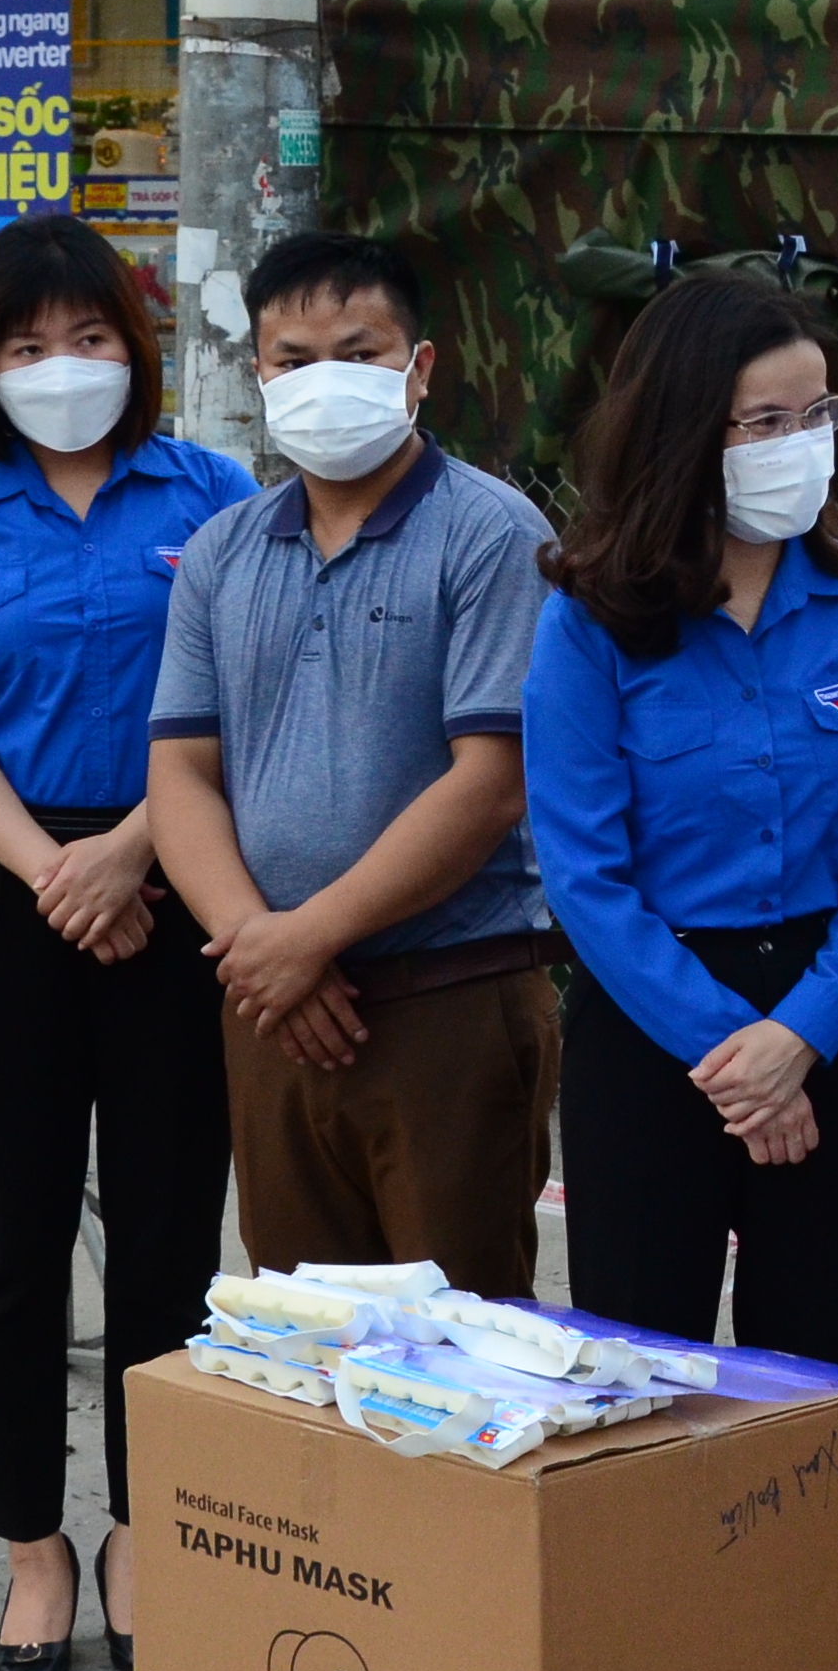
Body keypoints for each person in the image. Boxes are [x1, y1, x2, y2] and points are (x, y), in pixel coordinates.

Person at [0, 214, 254, 1671]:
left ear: (136, 350)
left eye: (90, 339)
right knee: (6, 1244)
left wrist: (138, 851)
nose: (63, 369)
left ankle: (141, 1528)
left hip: (178, 885)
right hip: (4, 896)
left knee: (170, 1240)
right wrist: (53, 868)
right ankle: (31, 1544)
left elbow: (241, 710)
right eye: (28, 347)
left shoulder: (216, 499)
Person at [522, 272, 838, 1373]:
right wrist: (729, 1055)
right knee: (641, 1380)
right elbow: (584, 872)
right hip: (654, 1027)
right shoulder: (590, 618)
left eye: (818, 417)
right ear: (684, 428)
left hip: (827, 1014)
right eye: (763, 423)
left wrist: (800, 1036)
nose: (798, 446)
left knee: (810, 1374)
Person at [148, 233, 559, 1294]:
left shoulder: (490, 535)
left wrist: (307, 940)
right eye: (293, 358)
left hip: (445, 1006)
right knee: (304, 1357)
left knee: (461, 1362)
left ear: (420, 368)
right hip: (273, 1014)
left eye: (358, 351)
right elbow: (182, 773)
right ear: (259, 377)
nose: (322, 379)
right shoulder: (223, 551)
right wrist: (262, 951)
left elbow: (489, 780)